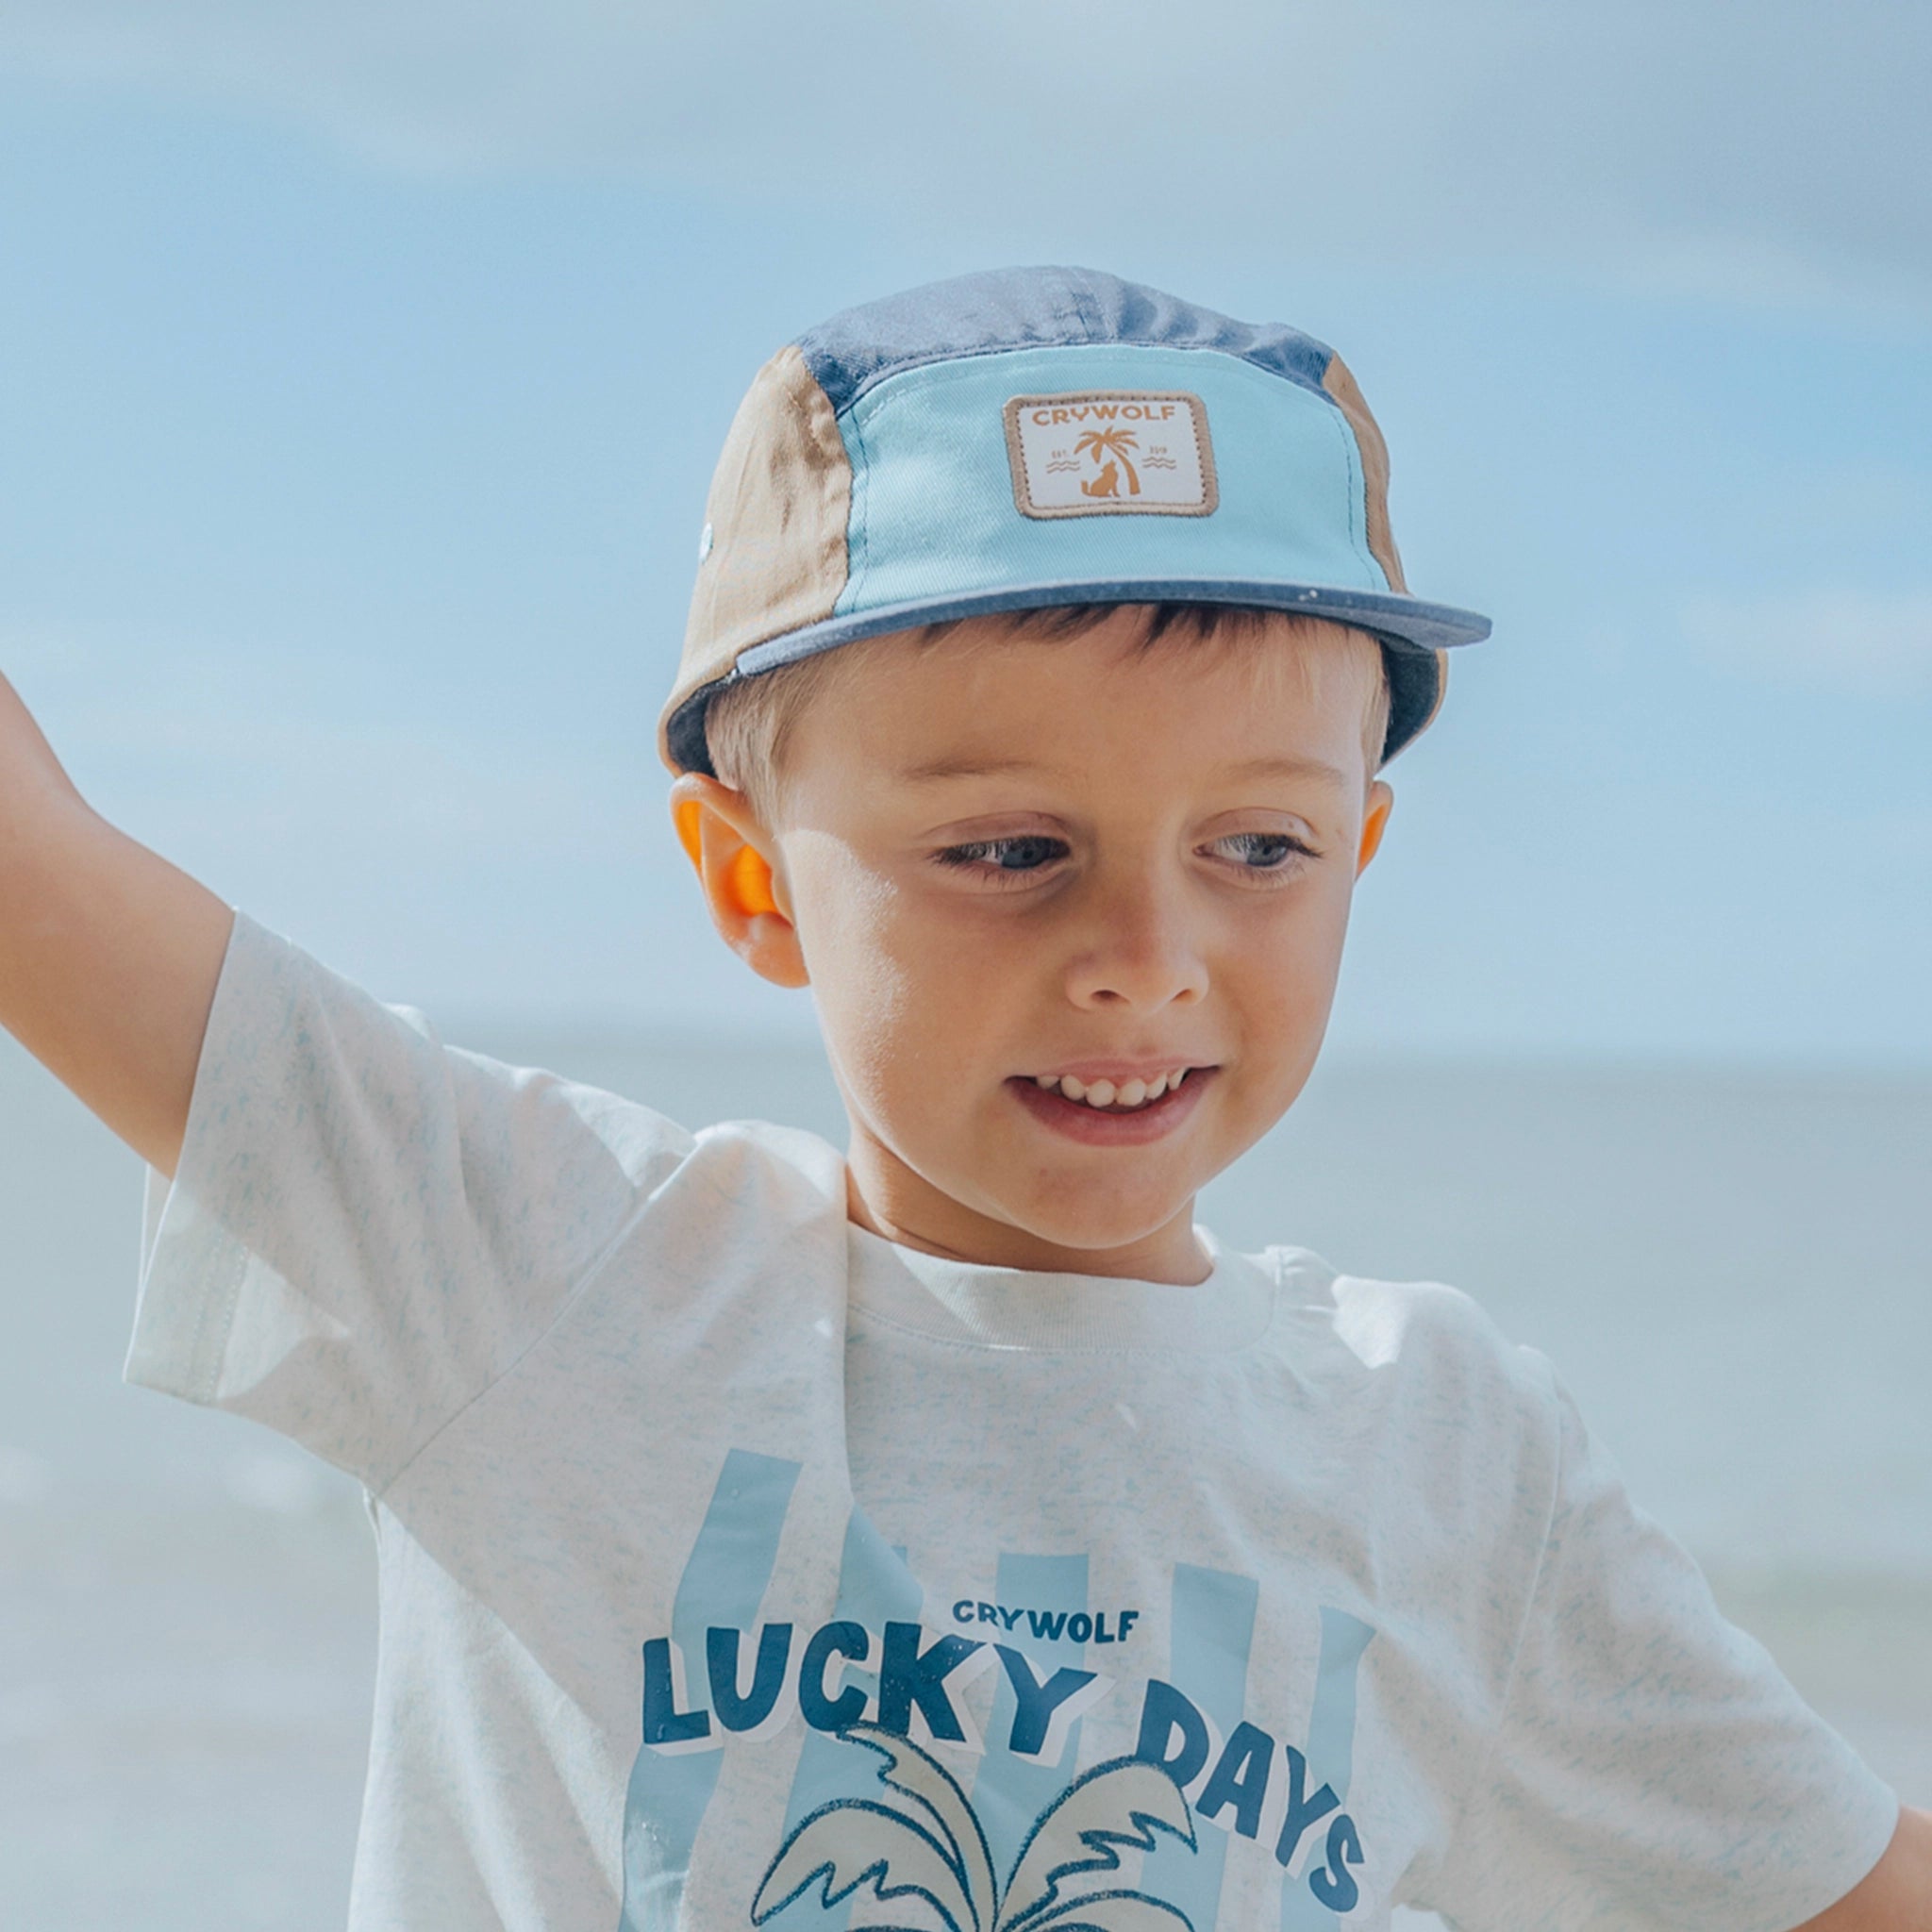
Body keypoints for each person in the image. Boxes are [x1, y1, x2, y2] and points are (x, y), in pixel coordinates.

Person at [0, 266, 1924, 1930]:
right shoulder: (544, 1282)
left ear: (1364, 849)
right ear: (753, 879)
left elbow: (1833, 1886)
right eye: (1011, 849)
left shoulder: (1443, 1465)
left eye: (1259, 845)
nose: (1146, 954)